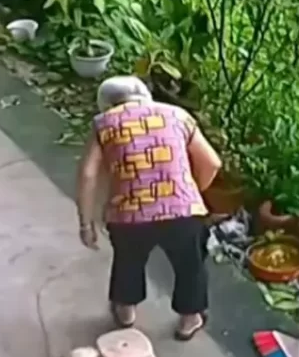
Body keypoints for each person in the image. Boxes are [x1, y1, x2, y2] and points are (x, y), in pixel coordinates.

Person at [75, 76, 222, 341]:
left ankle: (125, 311)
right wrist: (189, 193)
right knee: (190, 265)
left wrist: (86, 224)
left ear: (107, 103)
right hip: (182, 213)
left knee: (128, 262)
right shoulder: (178, 115)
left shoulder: (104, 123)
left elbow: (87, 175)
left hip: (129, 215)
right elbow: (212, 163)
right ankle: (190, 320)